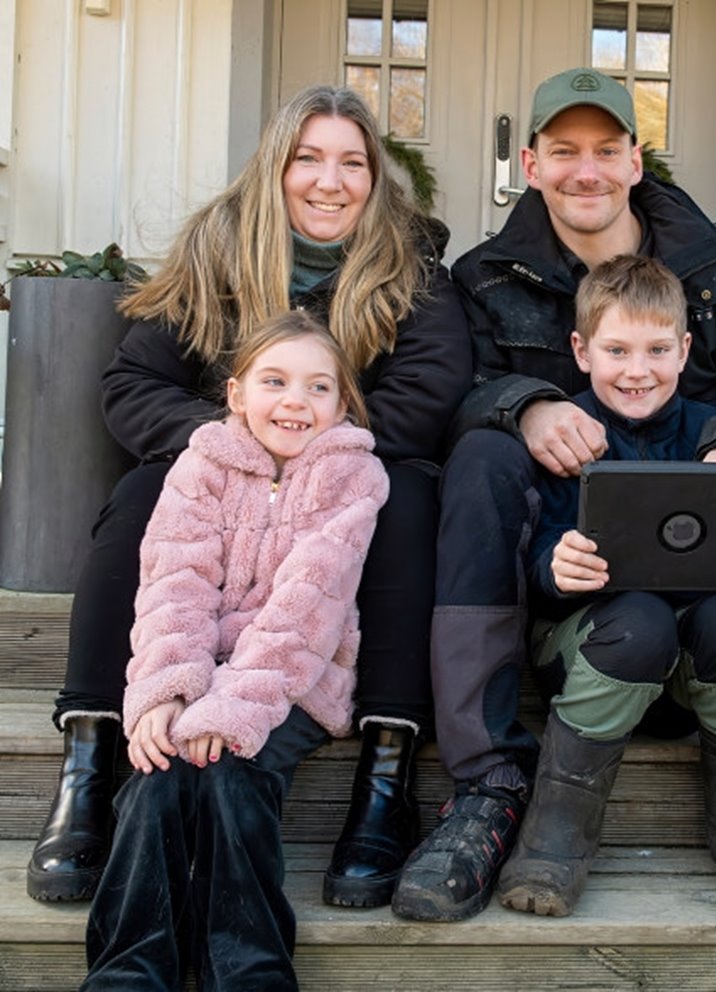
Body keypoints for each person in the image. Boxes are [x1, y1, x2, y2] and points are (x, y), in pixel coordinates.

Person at [392, 68, 716, 926]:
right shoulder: (483, 276)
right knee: (481, 455)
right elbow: (448, 391)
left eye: (607, 150)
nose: (586, 170)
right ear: (531, 163)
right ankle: (487, 788)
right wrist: (523, 406)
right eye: (564, 151)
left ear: (638, 161)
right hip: (578, 593)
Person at [27, 84, 472, 913]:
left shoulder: (412, 274)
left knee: (409, 500)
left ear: (375, 179)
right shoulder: (219, 253)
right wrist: (231, 445)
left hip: (348, 482)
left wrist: (305, 452)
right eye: (308, 158)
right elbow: (133, 382)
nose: (329, 181)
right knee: (143, 492)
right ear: (276, 167)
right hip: (223, 490)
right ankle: (89, 761)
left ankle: (386, 773)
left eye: (351, 162)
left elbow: (425, 399)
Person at [496, 254, 716, 917]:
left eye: (656, 349)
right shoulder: (565, 435)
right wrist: (556, 564)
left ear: (685, 350)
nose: (636, 369)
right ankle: (557, 833)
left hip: (692, 682)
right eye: (616, 349)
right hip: (595, 654)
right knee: (639, 616)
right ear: (582, 352)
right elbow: (533, 556)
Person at [82, 310, 389, 989]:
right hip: (197, 674)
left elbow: (306, 611)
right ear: (236, 393)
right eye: (274, 381)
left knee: (230, 774)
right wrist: (166, 695)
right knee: (156, 779)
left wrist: (231, 713)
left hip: (293, 683)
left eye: (318, 388)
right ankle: (128, 970)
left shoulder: (353, 479)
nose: (294, 402)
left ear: (343, 404)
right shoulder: (201, 467)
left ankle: (250, 969)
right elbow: (174, 585)